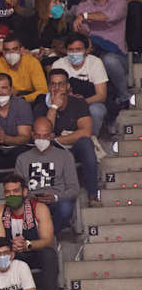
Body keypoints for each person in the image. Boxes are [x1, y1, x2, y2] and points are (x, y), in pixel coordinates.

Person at [35, 68, 99, 201]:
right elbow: (45, 135)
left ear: (68, 86)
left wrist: (58, 139)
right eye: (53, 84)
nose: (57, 88)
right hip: (53, 150)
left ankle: (93, 194)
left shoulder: (78, 102)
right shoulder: (40, 106)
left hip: (72, 146)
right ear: (49, 86)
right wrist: (53, 107)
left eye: (61, 84)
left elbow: (85, 132)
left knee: (86, 143)